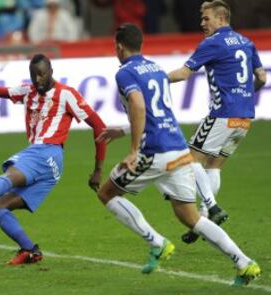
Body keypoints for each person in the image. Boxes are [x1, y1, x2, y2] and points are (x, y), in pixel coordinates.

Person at [96, 23, 261, 286]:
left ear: (118, 47)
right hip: (179, 151)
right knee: (190, 217)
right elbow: (157, 112)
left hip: (153, 152)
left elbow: (138, 104)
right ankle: (243, 262)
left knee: (106, 193)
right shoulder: (156, 70)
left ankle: (157, 243)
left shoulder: (125, 73)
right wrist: (124, 130)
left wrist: (133, 149)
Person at [0, 54, 107, 265]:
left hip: (47, 152)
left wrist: (98, 168)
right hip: (52, 170)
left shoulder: (66, 94)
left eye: (41, 74)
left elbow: (98, 125)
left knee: (10, 176)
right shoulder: (27, 91)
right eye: (33, 76)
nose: (38, 80)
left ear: (51, 71)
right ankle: (30, 251)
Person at [168, 0, 267, 243]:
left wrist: (155, 78)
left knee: (189, 159)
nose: (202, 23)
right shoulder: (247, 42)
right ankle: (202, 219)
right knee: (214, 166)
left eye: (206, 18)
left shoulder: (212, 43)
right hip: (244, 118)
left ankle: (211, 208)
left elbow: (183, 73)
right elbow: (262, 78)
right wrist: (245, 96)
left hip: (223, 114)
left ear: (221, 19)